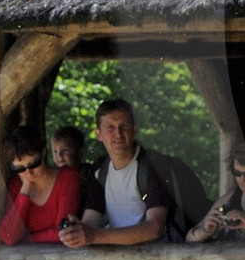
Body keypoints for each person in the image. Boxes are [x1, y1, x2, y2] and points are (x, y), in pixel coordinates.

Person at [58, 99, 170, 248]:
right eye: (110, 128)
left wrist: (94, 236)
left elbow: (154, 229)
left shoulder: (153, 166)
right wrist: (76, 230)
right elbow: (90, 220)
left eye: (124, 126)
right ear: (98, 134)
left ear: (134, 130)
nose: (118, 134)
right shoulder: (99, 169)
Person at [0, 136, 84, 246]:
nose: (29, 173)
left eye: (33, 164)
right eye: (20, 168)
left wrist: (25, 240)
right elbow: (9, 237)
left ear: (43, 153)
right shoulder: (15, 185)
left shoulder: (67, 177)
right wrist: (25, 190)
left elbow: (63, 233)